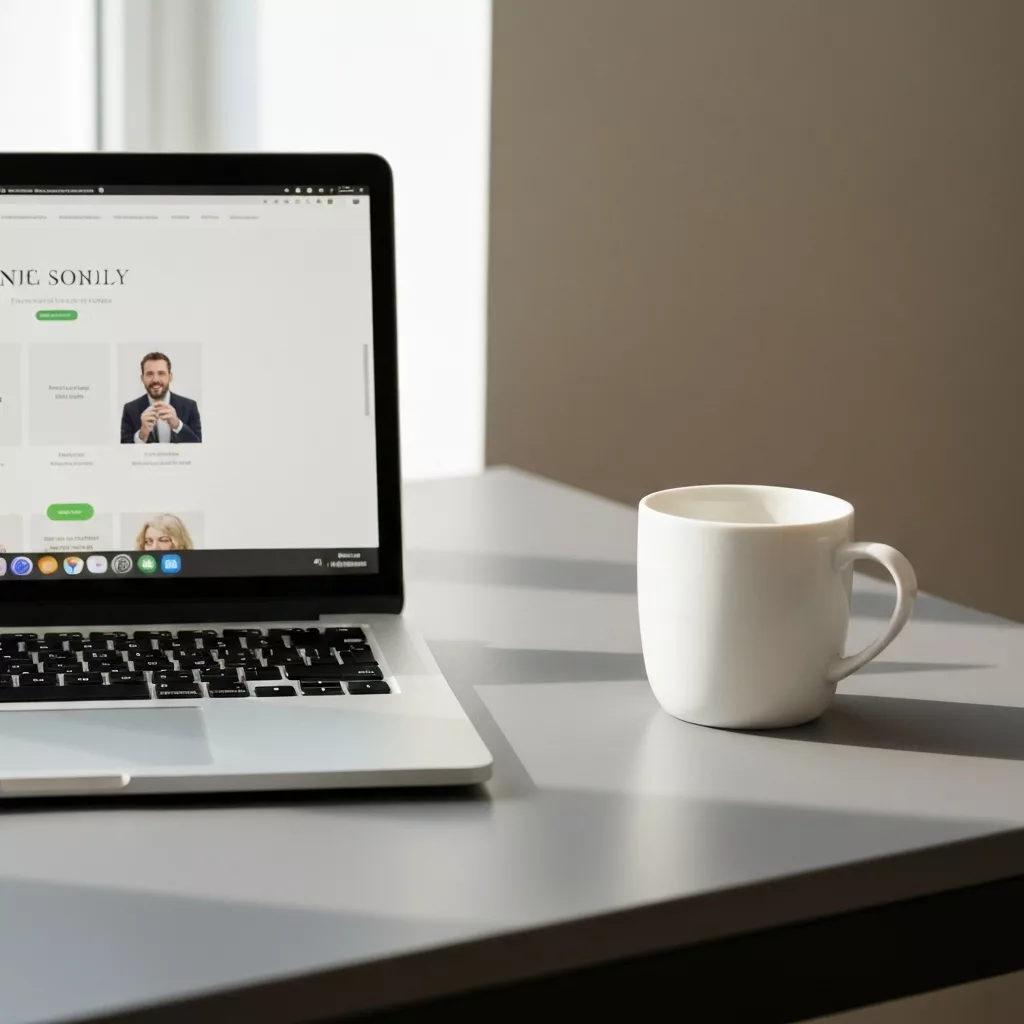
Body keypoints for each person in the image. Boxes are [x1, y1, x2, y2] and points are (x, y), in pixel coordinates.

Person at [120, 352, 202, 444]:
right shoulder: (129, 409)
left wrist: (178, 425)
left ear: (170, 377)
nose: (155, 380)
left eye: (161, 373)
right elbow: (123, 453)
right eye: (149, 374)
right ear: (142, 378)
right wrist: (142, 435)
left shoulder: (190, 406)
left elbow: (198, 446)